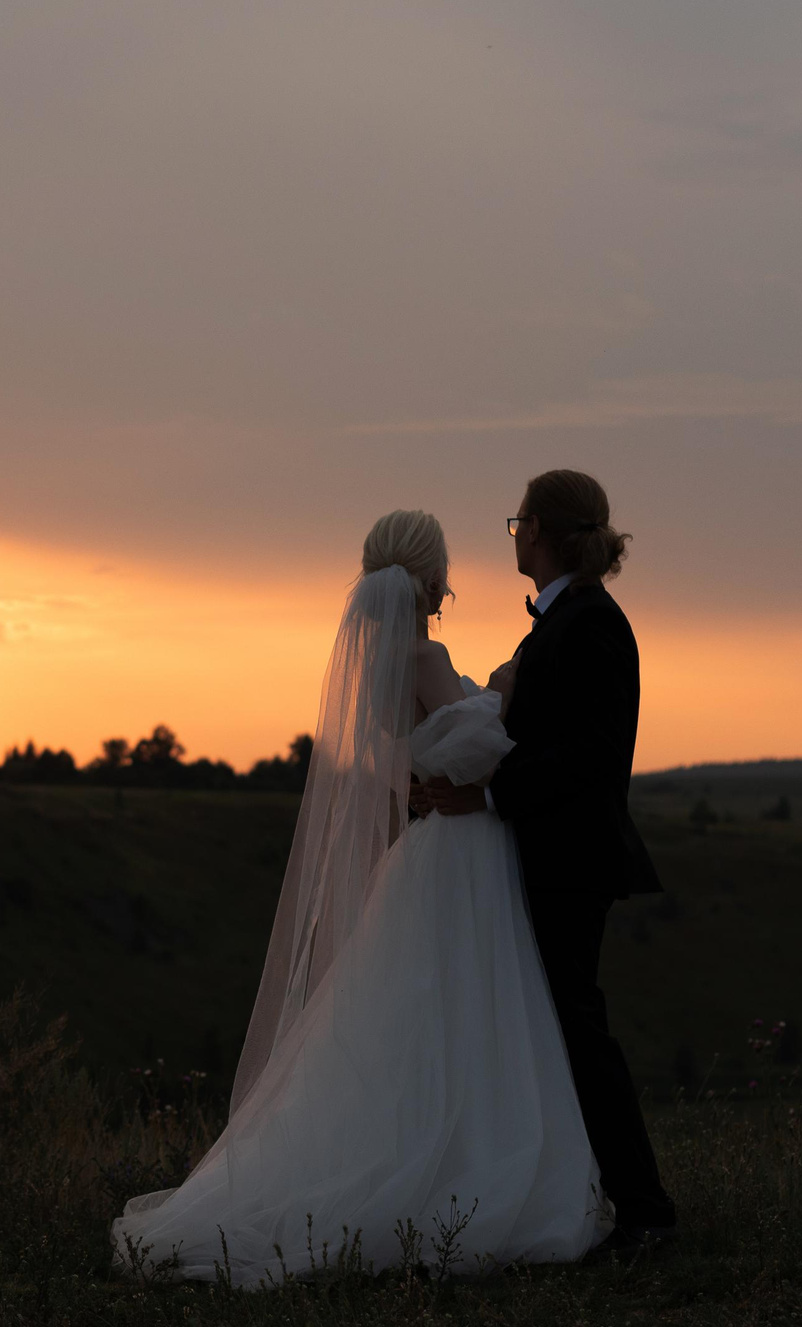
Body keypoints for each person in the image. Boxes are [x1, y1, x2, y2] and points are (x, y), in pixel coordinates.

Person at [111, 508, 610, 1283]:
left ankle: (428, 1151)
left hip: (433, 850)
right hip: (463, 855)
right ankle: (460, 1168)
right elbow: (483, 747)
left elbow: (416, 754)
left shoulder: (377, 667)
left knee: (426, 1014)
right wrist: (506, 687)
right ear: (432, 578)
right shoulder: (423, 655)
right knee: (472, 1007)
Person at [408, 469, 676, 1253]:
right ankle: (576, 1196)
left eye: (518, 520)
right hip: (550, 853)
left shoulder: (590, 624)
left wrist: (489, 793)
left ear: (542, 532)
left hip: (571, 860)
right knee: (557, 1031)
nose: (514, 533)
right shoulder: (563, 620)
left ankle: (645, 1209)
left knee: (577, 1030)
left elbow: (590, 755)